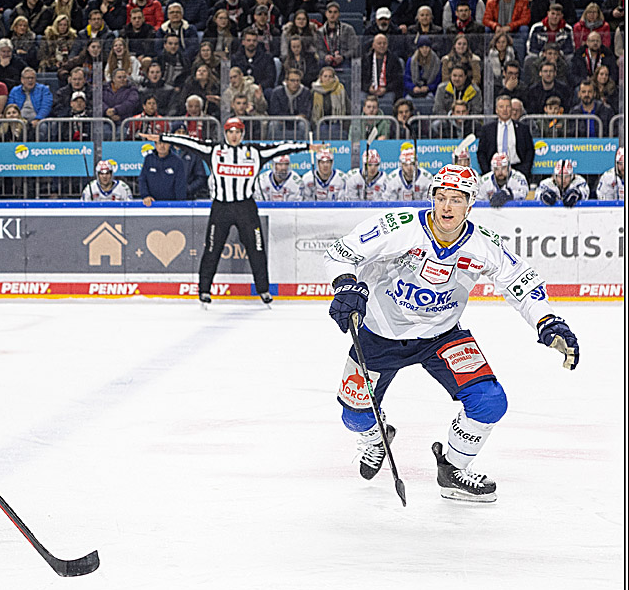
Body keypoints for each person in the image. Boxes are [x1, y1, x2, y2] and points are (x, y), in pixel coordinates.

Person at [324, 162, 579, 501]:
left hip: (442, 336)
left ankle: (452, 469)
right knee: (354, 417)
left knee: (489, 401)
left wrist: (547, 320)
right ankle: (376, 436)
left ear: (470, 204)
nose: (446, 206)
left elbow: (521, 282)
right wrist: (345, 284)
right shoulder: (397, 227)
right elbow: (341, 253)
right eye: (441, 197)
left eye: (456, 199)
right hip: (380, 334)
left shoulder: (484, 243)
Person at [139, 119, 320, 305]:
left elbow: (281, 148)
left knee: (256, 249)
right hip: (221, 207)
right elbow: (189, 143)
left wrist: (307, 147)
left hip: (245, 207)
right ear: (225, 133)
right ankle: (204, 290)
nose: (234, 136)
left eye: (237, 132)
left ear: (242, 134)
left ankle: (263, 289)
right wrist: (162, 137)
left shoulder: (255, 152)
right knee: (212, 249)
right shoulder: (214, 150)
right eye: (230, 132)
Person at [476, 95, 534, 179]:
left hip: (517, 170)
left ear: (511, 109)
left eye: (508, 106)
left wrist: (524, 171)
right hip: (494, 171)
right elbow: (481, 152)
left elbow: (529, 151)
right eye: (501, 107)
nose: (505, 110)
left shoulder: (523, 129)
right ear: (496, 110)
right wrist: (487, 171)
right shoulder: (487, 129)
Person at [139, 137, 186, 205]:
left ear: (169, 144)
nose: (162, 146)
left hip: (172, 205)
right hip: (152, 204)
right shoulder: (149, 159)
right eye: (159, 143)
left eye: (165, 143)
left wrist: (180, 204)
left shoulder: (177, 161)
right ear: (155, 145)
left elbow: (180, 184)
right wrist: (145, 195)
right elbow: (142, 179)